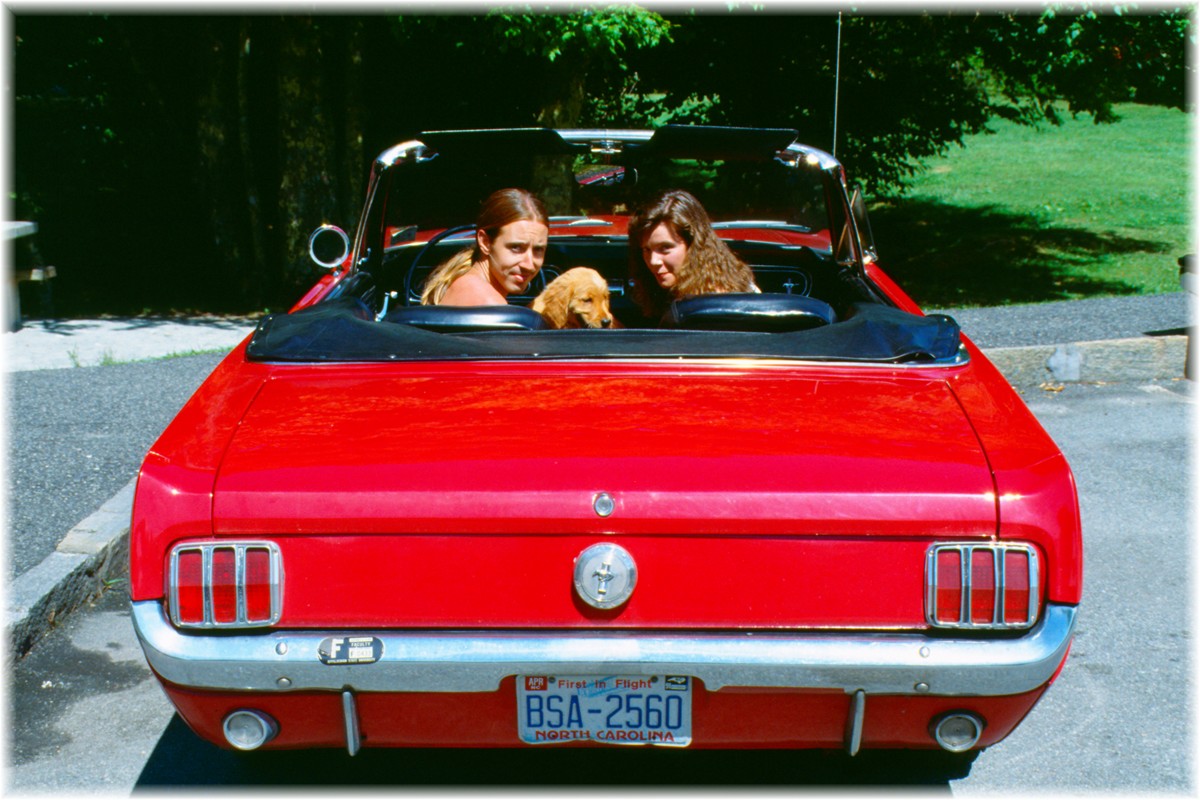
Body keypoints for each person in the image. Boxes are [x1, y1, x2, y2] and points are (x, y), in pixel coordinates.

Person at [627, 189, 758, 320]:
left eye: (665, 248)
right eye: (646, 249)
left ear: (694, 246)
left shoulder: (723, 301)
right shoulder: (660, 294)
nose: (653, 261)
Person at [421, 188, 549, 306]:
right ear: (485, 242)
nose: (529, 265)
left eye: (538, 250)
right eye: (516, 247)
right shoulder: (490, 304)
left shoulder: (461, 283)